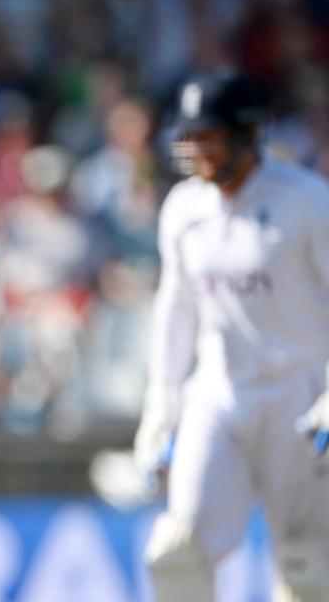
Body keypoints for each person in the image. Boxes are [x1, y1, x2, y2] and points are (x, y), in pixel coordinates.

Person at [134, 70, 329, 601]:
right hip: (219, 394)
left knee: (307, 563)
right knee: (178, 554)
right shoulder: (183, 207)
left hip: (301, 394)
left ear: (250, 133)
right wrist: (161, 399)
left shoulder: (308, 201)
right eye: (190, 137)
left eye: (211, 136)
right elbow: (175, 310)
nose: (197, 149)